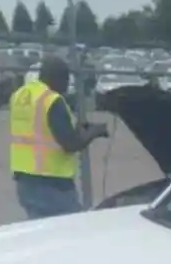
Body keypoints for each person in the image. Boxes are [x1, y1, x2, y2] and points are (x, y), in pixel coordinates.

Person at [9, 56, 108, 219]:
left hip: (25, 180)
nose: (65, 87)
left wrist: (78, 128)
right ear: (56, 77)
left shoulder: (20, 95)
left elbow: (40, 128)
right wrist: (95, 132)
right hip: (52, 183)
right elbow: (70, 144)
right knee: (70, 230)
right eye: (65, 80)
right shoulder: (52, 100)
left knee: (41, 232)